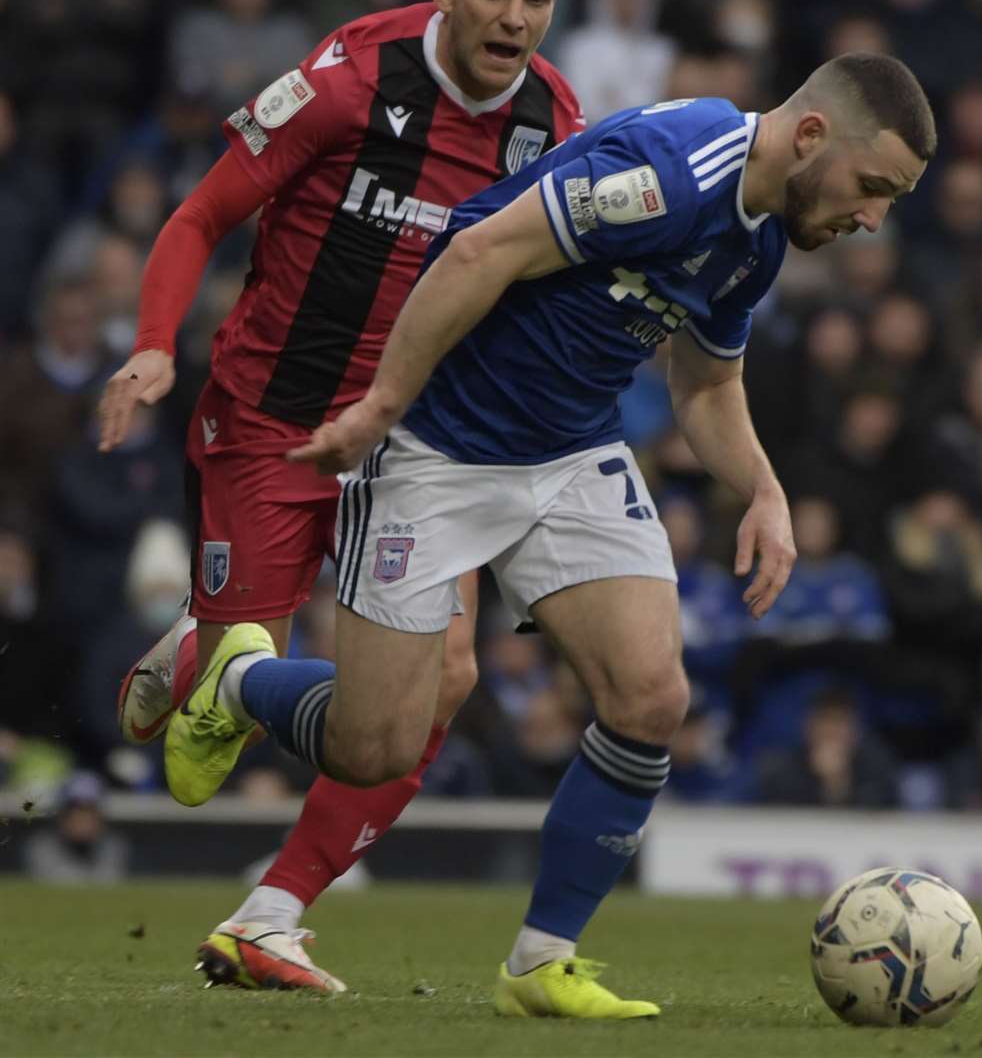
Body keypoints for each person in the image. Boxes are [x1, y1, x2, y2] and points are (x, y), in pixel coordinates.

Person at [164, 51, 935, 1018]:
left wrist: (765, 492)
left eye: (892, 201)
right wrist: (382, 407)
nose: (874, 220)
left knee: (652, 695)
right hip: (436, 449)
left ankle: (541, 961)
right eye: (874, 188)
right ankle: (231, 679)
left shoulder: (762, 238)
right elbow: (480, 250)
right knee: (375, 747)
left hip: (569, 453)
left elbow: (705, 382)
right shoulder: (670, 168)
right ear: (812, 135)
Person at [97, 0, 580, 993]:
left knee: (445, 680)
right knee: (212, 743)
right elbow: (196, 218)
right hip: (272, 419)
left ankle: (269, 916)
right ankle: (204, 654)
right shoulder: (345, 81)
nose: (515, 17)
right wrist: (152, 347)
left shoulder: (552, 121)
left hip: (418, 444)